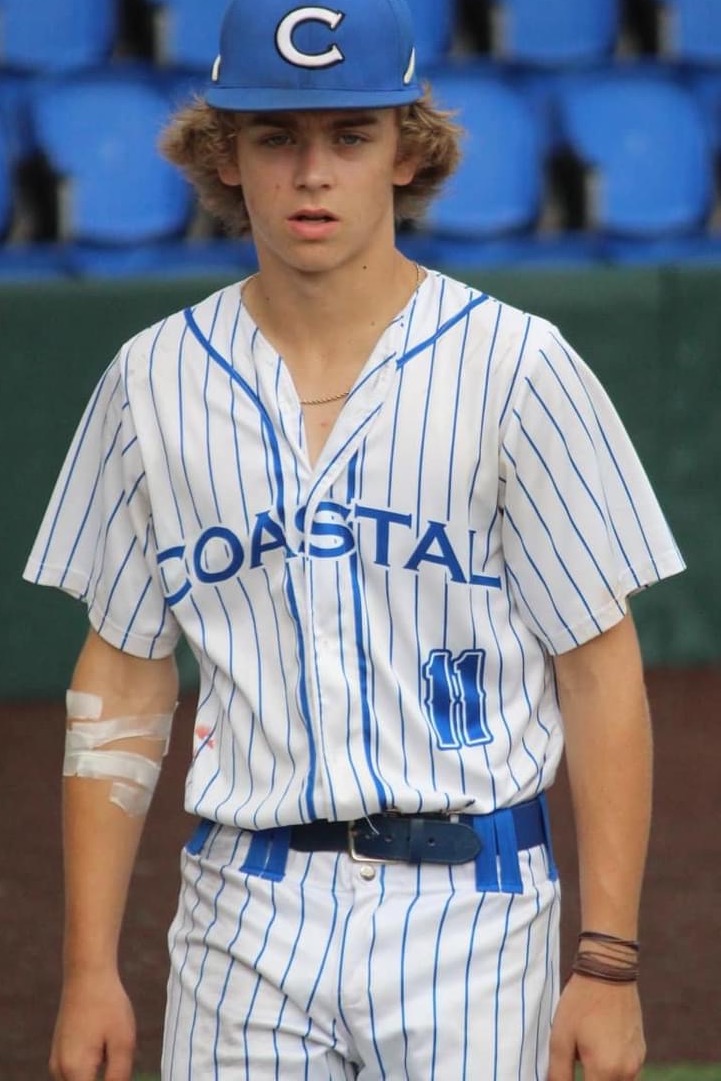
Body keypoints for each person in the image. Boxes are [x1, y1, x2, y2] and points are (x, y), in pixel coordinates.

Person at [25, 1, 685, 1078]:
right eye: (274, 136)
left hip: (473, 916)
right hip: (241, 916)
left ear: (406, 152)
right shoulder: (151, 380)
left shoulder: (519, 367)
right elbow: (122, 680)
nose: (311, 173)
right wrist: (88, 965)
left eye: (349, 135)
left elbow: (599, 671)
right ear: (223, 156)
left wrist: (607, 963)